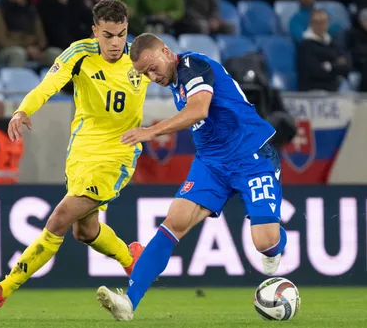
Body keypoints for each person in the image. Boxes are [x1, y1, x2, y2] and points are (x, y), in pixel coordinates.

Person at [0, 0, 149, 309]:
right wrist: (23, 110)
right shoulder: (79, 54)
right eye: (108, 35)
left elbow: (178, 82)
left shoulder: (140, 57)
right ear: (95, 31)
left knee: (59, 219)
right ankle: (131, 258)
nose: (116, 43)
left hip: (119, 153)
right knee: (85, 231)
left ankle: (1, 290)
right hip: (81, 154)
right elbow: (48, 85)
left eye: (121, 34)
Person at [96, 33, 287, 321]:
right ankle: (128, 303)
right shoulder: (174, 81)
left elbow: (199, 109)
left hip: (251, 156)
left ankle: (276, 245)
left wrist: (151, 131)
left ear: (165, 51)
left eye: (152, 67)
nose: (151, 76)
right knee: (174, 222)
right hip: (212, 163)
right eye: (144, 73)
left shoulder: (193, 65)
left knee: (265, 242)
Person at [297, 9, 350, 91]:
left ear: (328, 23)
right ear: (311, 24)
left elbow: (347, 65)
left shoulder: (332, 42)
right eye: (316, 22)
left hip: (334, 87)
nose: (320, 25)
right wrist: (336, 66)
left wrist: (329, 66)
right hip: (313, 89)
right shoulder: (305, 45)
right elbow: (316, 72)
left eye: (323, 22)